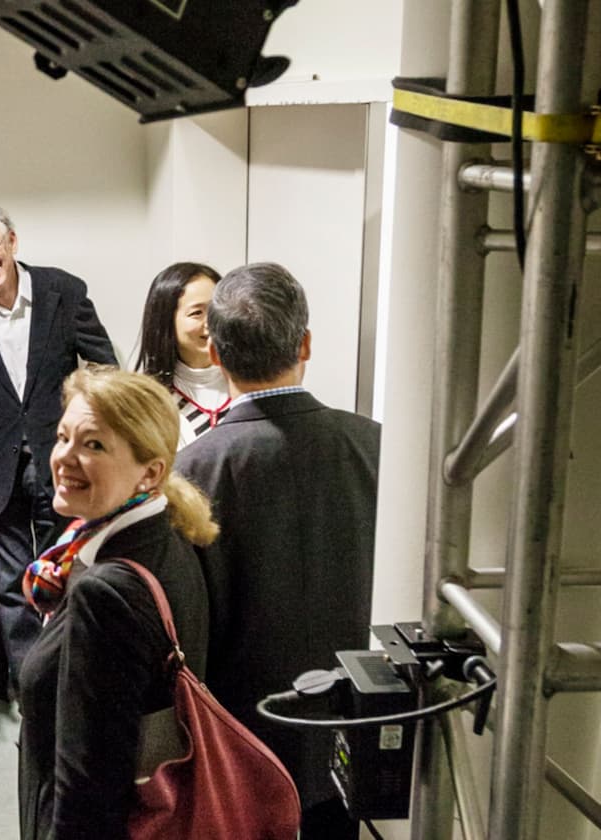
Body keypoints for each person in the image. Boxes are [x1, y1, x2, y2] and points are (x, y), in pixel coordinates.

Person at [174, 262, 380, 839]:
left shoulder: (193, 471)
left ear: (214, 353)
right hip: (355, 724)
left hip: (240, 744)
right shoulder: (376, 445)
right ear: (306, 343)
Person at [18, 365, 215, 840]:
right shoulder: (166, 532)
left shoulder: (103, 593)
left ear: (150, 472)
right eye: (63, 437)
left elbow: (91, 787)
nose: (65, 457)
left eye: (94, 445)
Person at [0, 207, 117, 688]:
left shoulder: (65, 290)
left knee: (74, 572)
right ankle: (32, 686)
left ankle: (76, 681)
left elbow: (104, 370)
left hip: (64, 459)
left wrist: (90, 436)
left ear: (13, 242)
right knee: (11, 585)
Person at [134, 262, 229, 447]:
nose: (211, 322)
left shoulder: (249, 389)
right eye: (197, 313)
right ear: (165, 322)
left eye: (217, 310)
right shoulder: (145, 400)